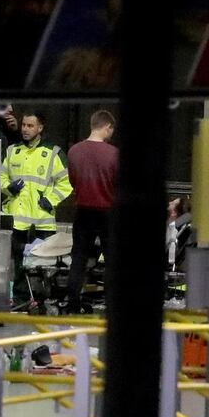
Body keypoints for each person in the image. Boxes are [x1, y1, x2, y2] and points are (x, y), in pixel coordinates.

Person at [0, 111, 72, 308]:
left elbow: (66, 182)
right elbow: (1, 177)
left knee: (43, 265)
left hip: (41, 219)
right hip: (17, 219)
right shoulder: (12, 151)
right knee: (19, 264)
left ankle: (42, 300)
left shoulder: (52, 153)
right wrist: (8, 188)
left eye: (30, 126)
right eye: (23, 125)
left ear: (40, 128)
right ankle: (21, 299)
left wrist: (50, 200)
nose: (24, 129)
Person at [62, 110, 118, 314]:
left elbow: (73, 181)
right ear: (107, 127)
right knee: (112, 260)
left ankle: (73, 303)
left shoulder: (74, 151)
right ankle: (113, 306)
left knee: (79, 258)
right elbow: (117, 184)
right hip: (108, 212)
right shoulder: (114, 154)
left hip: (83, 211)